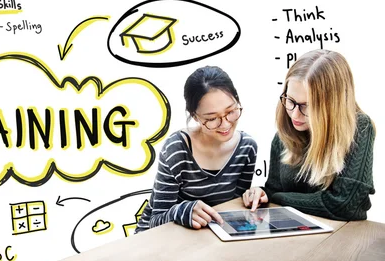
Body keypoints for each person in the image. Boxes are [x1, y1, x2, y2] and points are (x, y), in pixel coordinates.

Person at [243, 49, 376, 221]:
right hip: (294, 233)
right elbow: (274, 189)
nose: (295, 115)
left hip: (342, 237)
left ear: (332, 106)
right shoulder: (283, 136)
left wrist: (278, 198)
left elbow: (344, 205)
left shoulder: (359, 128)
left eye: (308, 106)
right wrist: (261, 192)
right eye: (290, 100)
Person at [135, 66, 258, 233]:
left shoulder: (247, 148)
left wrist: (253, 196)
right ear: (194, 116)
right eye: (212, 118)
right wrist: (183, 210)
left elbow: (233, 211)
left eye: (231, 111)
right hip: (158, 238)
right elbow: (156, 220)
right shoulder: (177, 148)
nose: (225, 124)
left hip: (205, 238)